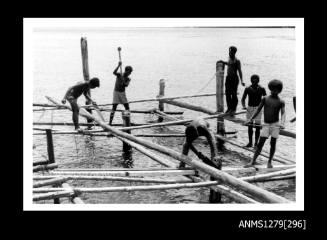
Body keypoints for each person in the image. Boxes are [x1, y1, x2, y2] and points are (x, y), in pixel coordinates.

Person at [244, 79, 286, 168]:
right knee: (260, 143)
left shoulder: (281, 101)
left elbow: (283, 113)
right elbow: (258, 109)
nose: (274, 92)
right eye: (272, 89)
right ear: (270, 89)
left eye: (277, 90)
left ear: (280, 90)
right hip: (266, 124)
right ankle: (253, 161)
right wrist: (250, 119)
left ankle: (269, 162)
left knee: (273, 144)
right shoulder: (265, 98)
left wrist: (282, 123)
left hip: (275, 125)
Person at [241, 74, 267, 147]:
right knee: (249, 126)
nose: (254, 82)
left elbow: (266, 99)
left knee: (258, 126)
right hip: (249, 108)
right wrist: (244, 106)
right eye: (253, 81)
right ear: (251, 81)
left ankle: (256, 143)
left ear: (258, 81)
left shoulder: (262, 89)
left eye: (256, 81)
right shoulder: (247, 88)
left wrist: (266, 108)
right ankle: (250, 142)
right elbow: (243, 99)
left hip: (258, 109)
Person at [223, 46, 245, 115]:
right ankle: (229, 108)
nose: (230, 53)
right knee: (227, 93)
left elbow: (240, 71)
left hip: (234, 78)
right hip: (228, 78)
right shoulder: (229, 58)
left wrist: (242, 81)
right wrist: (222, 62)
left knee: (234, 94)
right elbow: (228, 64)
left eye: (231, 52)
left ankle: (233, 109)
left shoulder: (237, 61)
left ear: (234, 52)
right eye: (229, 52)